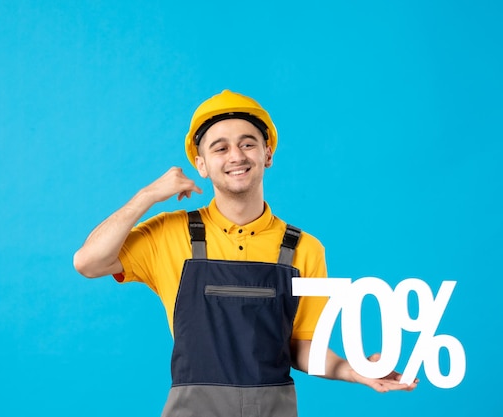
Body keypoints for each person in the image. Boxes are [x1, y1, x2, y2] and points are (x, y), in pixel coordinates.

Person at [73, 90, 417, 416]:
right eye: (220, 148)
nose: (236, 156)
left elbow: (301, 346)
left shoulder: (303, 249)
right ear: (201, 164)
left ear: (267, 154)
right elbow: (88, 262)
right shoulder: (169, 234)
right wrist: (147, 195)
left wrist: (352, 370)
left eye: (247, 144)